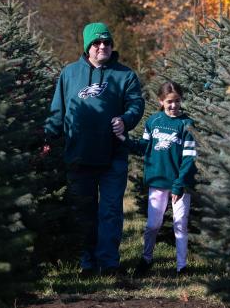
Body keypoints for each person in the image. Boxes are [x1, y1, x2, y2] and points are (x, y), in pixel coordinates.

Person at [44, 22, 144, 277]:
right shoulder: (70, 74)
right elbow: (58, 111)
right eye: (97, 43)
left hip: (113, 156)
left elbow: (136, 105)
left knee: (110, 211)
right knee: (84, 211)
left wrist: (126, 119)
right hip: (79, 155)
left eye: (107, 42)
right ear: (87, 46)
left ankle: (109, 262)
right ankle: (87, 263)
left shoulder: (125, 75)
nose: (102, 47)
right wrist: (47, 137)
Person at [127, 81, 197, 277]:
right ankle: (146, 259)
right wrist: (124, 140)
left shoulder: (187, 125)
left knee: (180, 223)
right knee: (152, 225)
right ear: (161, 101)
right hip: (157, 182)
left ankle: (182, 267)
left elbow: (189, 158)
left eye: (177, 101)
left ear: (181, 100)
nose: (173, 106)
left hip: (180, 185)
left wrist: (179, 185)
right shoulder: (153, 122)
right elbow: (143, 147)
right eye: (169, 102)